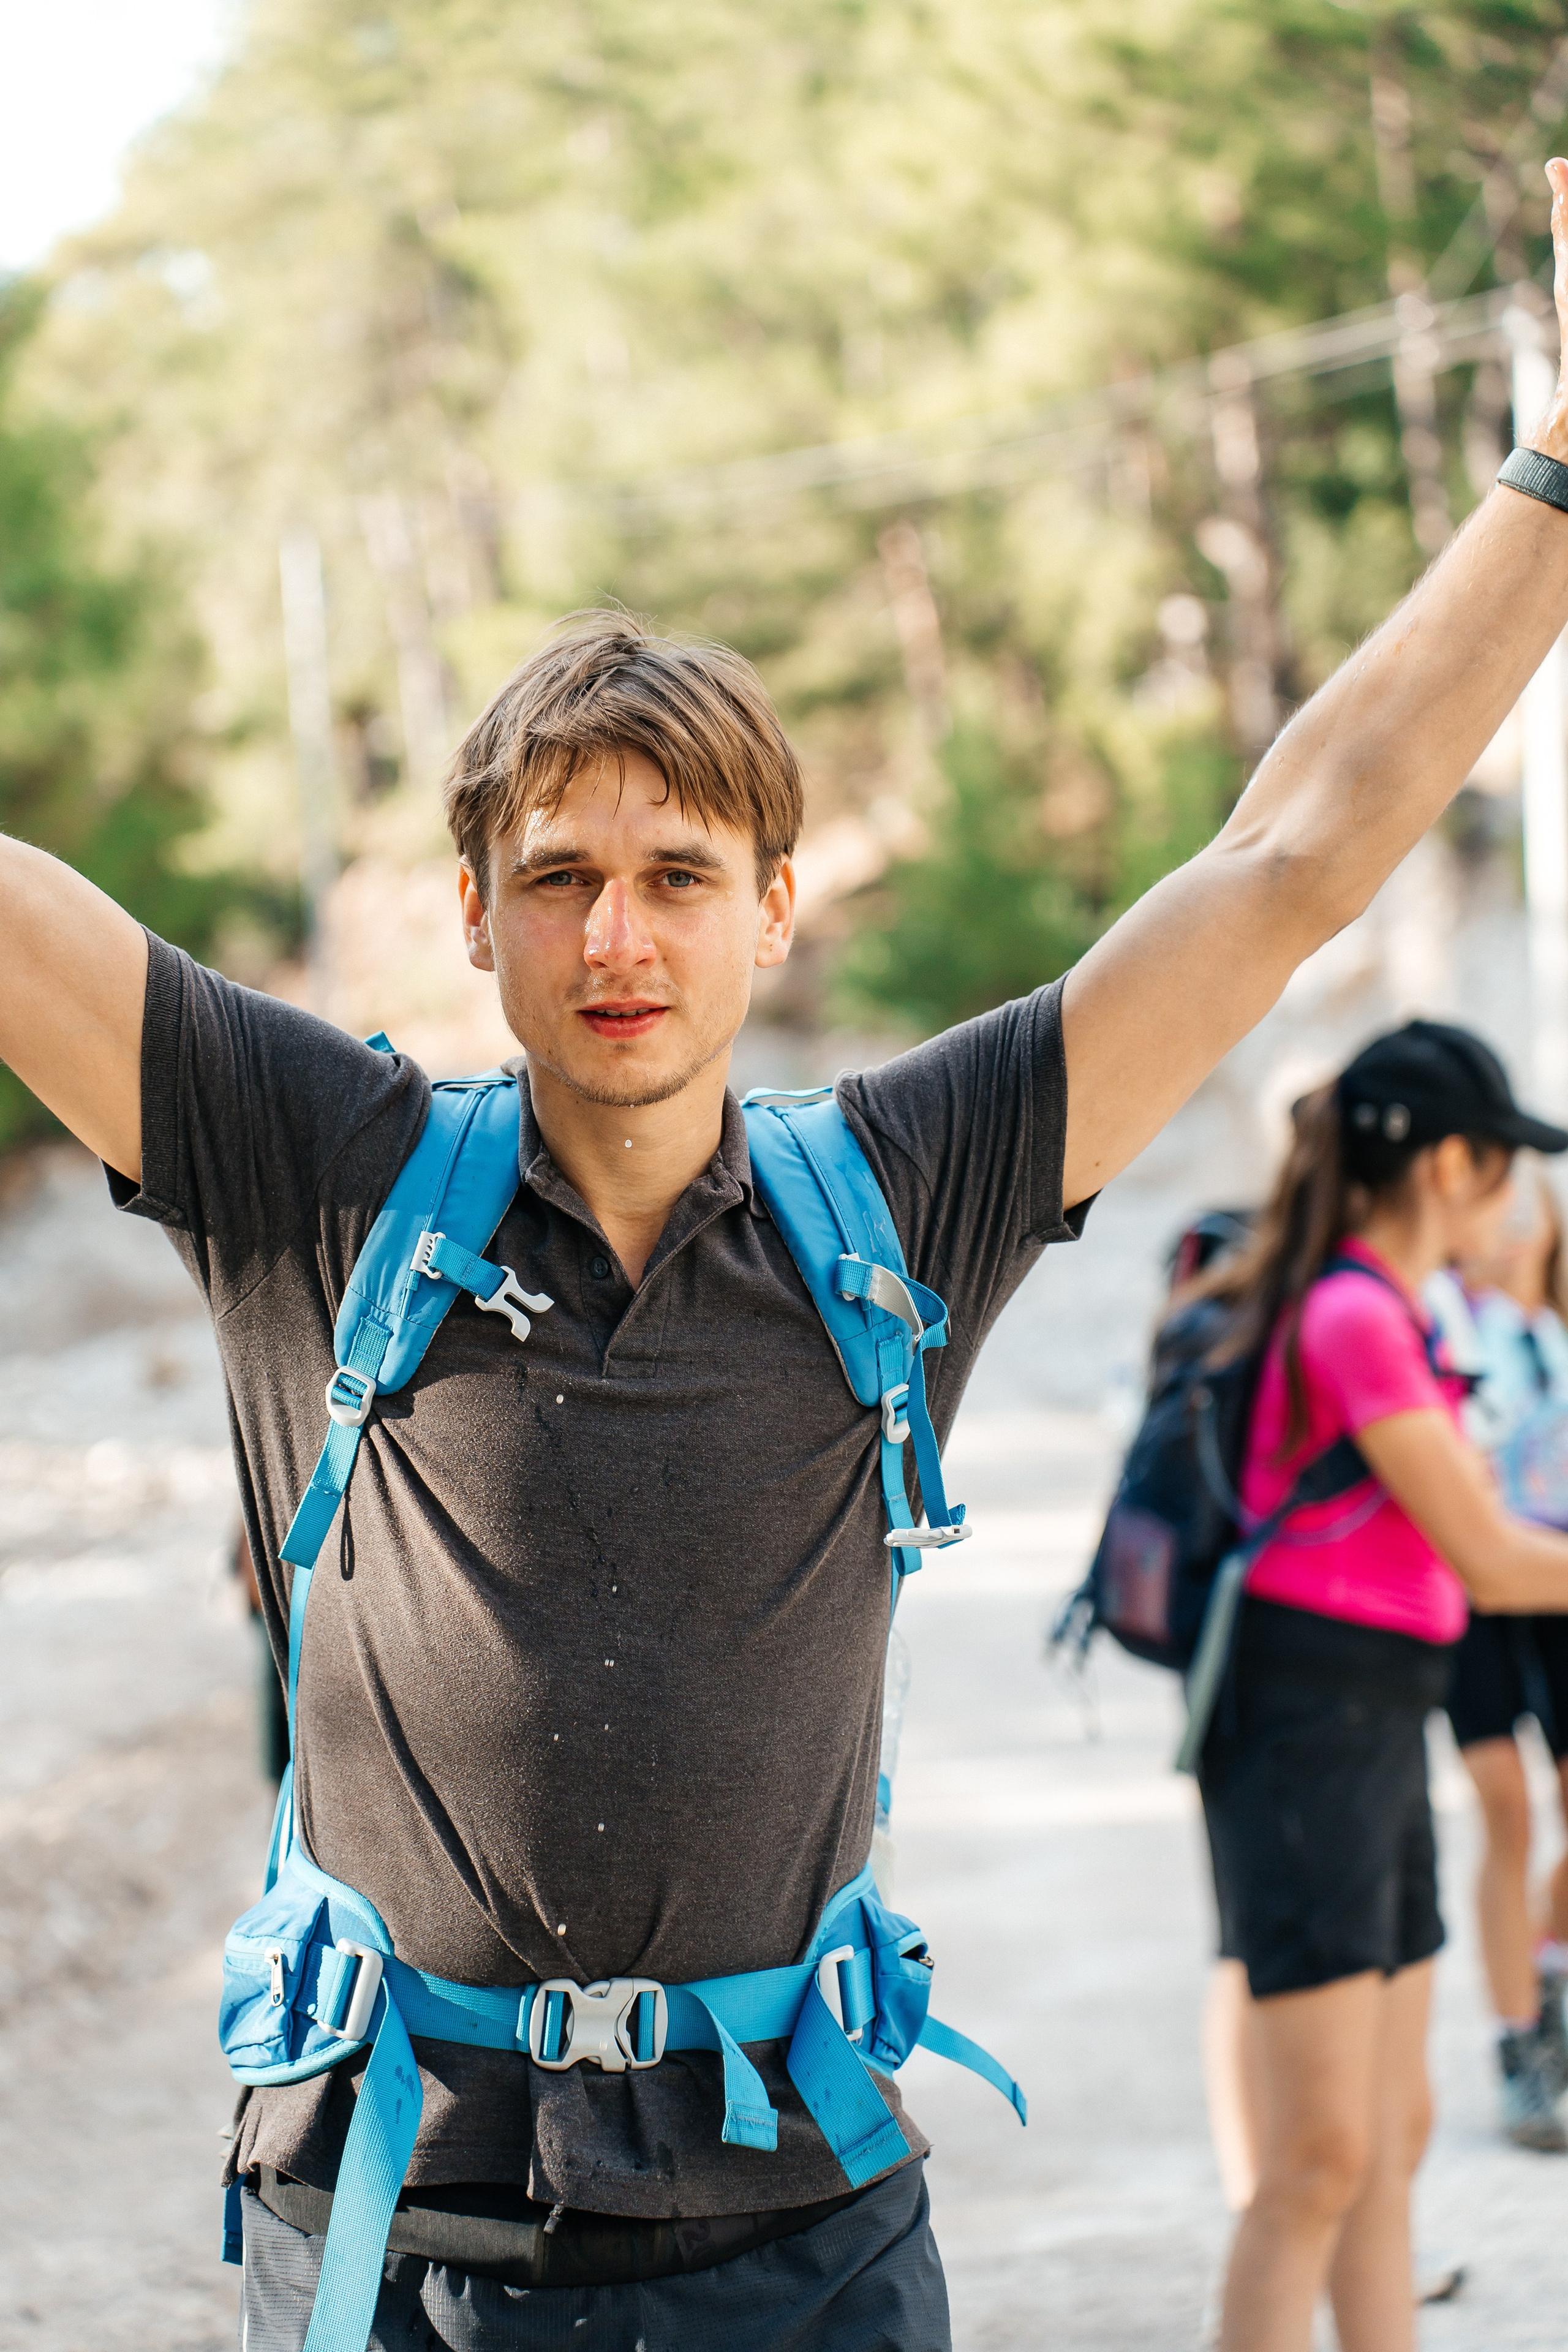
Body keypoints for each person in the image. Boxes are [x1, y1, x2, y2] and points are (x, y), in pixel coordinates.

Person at [7, 159, 1568, 2352]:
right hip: (399, 2245)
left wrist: (1558, 466)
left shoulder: (907, 1195)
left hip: (807, 2238)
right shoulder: (318, 1176)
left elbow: (1292, 856)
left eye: (677, 871)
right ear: (472, 914)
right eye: (555, 877)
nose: (616, 936)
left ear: (777, 902)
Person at [1188, 1022, 1568, 2352]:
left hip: (1369, 1725)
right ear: (1452, 1164)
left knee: (1388, 2134)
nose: (1519, 1200)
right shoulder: (1351, 1313)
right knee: (1314, 2159)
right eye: (1507, 1164)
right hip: (1303, 1738)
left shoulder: (1384, 1308)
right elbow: (1487, 1555)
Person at [1438, 1166, 1568, 2148]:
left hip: (1561, 1583)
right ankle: (1521, 2041)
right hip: (1478, 1592)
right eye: (1503, 1203)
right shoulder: (1444, 1319)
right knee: (1505, 1806)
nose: (1518, 1224)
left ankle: (1552, 1964)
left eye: (1535, 1204)